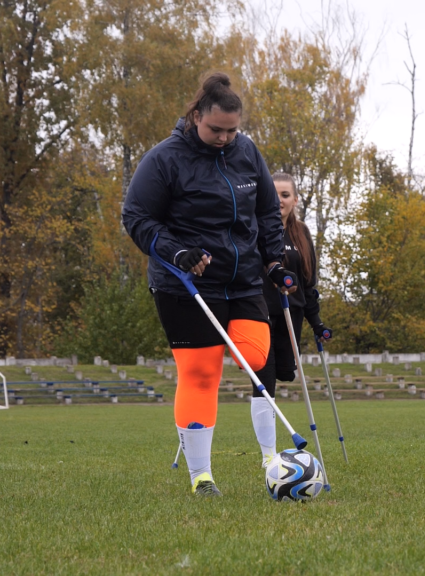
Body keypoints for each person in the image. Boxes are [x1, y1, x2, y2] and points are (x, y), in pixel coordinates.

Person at [122, 72, 294, 496]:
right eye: (216, 129)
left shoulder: (247, 151)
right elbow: (137, 218)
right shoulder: (164, 159)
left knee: (256, 354)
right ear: (196, 115)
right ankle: (202, 476)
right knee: (200, 374)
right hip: (184, 283)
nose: (224, 138)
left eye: (232, 130)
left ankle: (270, 456)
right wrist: (177, 253)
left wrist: (274, 260)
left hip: (243, 280)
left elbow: (268, 213)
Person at [250, 173, 331, 467]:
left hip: (291, 314)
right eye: (274, 195)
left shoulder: (302, 233)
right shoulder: (252, 228)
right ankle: (268, 456)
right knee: (263, 380)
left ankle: (269, 450)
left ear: (295, 200)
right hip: (257, 313)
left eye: (285, 195)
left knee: (285, 373)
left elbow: (309, 283)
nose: (279, 201)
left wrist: (317, 323)